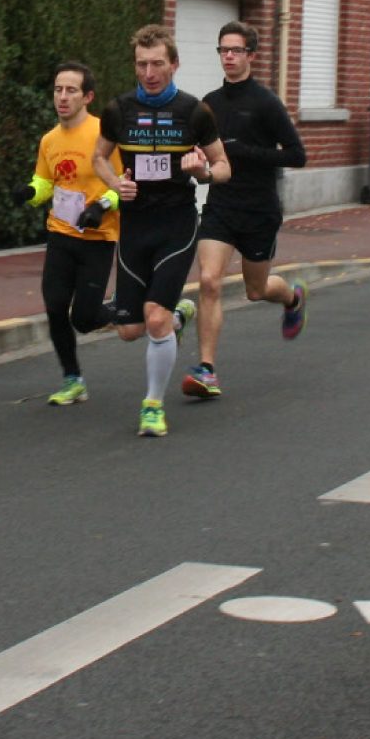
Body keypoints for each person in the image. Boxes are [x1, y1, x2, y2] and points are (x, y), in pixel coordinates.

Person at [95, 25, 229, 437]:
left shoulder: (194, 112)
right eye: (141, 64)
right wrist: (115, 183)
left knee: (153, 320)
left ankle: (152, 405)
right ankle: (176, 316)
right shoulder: (119, 109)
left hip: (176, 224)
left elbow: (224, 167)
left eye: (157, 64)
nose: (149, 72)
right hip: (135, 226)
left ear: (174, 64)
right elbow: (99, 158)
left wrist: (202, 171)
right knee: (129, 330)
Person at [178, 21, 308, 402]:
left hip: (259, 210)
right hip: (221, 204)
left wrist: (246, 152)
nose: (229, 57)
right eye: (223, 50)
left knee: (256, 290)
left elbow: (297, 155)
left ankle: (292, 299)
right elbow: (198, 151)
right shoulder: (210, 104)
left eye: (235, 50)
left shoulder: (266, 103)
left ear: (251, 55)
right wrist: (198, 165)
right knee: (209, 282)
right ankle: (206, 369)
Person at [16, 62, 121, 407]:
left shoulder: (105, 134)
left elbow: (124, 184)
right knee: (55, 305)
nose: (62, 97)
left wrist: (101, 207)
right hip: (61, 234)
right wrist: (30, 193)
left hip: (98, 239)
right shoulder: (49, 139)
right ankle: (72, 379)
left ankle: (135, 310)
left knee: (85, 319)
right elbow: (46, 182)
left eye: (71, 90)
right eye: (58, 89)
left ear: (88, 96)